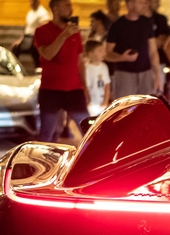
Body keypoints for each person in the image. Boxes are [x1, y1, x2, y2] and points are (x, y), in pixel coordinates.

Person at [34, 0, 90, 142]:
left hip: (74, 90)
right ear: (55, 9)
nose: (70, 9)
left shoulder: (75, 32)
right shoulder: (42, 31)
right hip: (51, 90)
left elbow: (80, 61)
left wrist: (85, 86)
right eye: (66, 6)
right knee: (47, 135)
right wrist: (63, 36)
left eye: (70, 5)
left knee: (89, 132)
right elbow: (47, 54)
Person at [106, 0, 161, 99]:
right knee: (125, 107)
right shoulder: (117, 25)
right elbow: (107, 53)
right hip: (124, 74)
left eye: (145, 2)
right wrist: (122, 58)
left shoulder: (147, 23)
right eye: (141, 2)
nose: (145, 5)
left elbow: (153, 51)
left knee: (146, 107)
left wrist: (157, 75)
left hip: (146, 73)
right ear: (130, 4)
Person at [12, 0, 51, 68]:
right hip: (27, 37)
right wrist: (21, 39)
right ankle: (14, 67)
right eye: (30, 1)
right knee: (15, 48)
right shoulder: (30, 12)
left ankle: (38, 67)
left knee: (35, 51)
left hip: (34, 38)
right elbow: (27, 28)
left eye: (33, 1)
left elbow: (44, 27)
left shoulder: (42, 13)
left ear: (37, 2)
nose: (31, 3)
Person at [144, 0, 169, 93]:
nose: (158, 4)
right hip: (139, 64)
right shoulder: (137, 19)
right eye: (155, 1)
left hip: (158, 63)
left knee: (157, 93)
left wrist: (143, 44)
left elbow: (162, 41)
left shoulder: (161, 19)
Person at [84, 40, 111, 116]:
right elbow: (85, 88)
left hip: (102, 103)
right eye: (100, 51)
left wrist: (105, 102)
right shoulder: (86, 69)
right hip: (91, 104)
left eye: (103, 50)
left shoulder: (104, 67)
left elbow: (107, 85)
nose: (103, 53)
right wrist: (88, 103)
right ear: (91, 54)